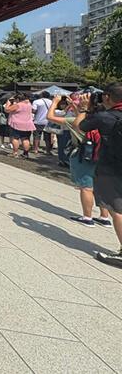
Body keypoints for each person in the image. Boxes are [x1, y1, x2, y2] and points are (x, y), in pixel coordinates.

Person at [47, 94, 110, 228]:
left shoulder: (76, 121)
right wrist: (77, 106)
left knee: (86, 188)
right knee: (101, 187)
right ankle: (104, 217)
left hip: (84, 155)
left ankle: (87, 217)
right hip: (102, 156)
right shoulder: (106, 119)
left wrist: (55, 102)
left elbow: (50, 117)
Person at [77, 84, 122, 267]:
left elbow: (81, 126)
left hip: (112, 168)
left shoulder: (105, 117)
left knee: (117, 210)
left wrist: (83, 108)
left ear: (107, 97)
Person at [5, 93, 35, 158]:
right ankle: (26, 153)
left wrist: (8, 102)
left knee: (15, 138)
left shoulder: (18, 105)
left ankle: (15, 153)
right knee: (25, 139)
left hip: (16, 124)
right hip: (27, 124)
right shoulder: (29, 104)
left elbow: (7, 110)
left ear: (18, 99)